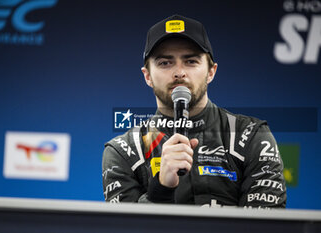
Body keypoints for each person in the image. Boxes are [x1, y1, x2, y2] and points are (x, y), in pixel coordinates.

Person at [102, 15, 287, 208]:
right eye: (165, 63)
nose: (179, 72)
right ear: (147, 76)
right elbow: (125, 227)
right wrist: (161, 188)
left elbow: (265, 224)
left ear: (211, 72)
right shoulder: (123, 150)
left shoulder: (251, 135)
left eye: (190, 61)